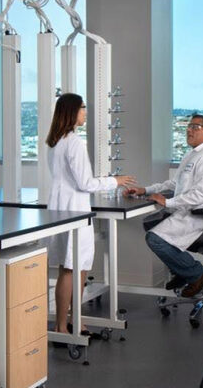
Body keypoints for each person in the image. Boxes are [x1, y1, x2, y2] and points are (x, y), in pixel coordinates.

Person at [46, 93, 135, 335]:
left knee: (75, 265)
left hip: (60, 206)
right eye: (83, 108)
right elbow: (85, 183)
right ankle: (63, 326)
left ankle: (72, 321)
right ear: (72, 112)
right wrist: (113, 181)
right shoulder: (74, 142)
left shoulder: (55, 141)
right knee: (73, 266)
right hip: (74, 209)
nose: (85, 112)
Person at [123, 113, 203, 298]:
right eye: (188, 126)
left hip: (201, 215)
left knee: (154, 238)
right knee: (149, 223)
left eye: (195, 127)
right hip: (188, 210)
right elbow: (174, 184)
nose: (188, 130)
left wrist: (168, 202)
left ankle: (196, 273)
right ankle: (181, 271)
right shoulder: (193, 155)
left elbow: (201, 194)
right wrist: (145, 190)